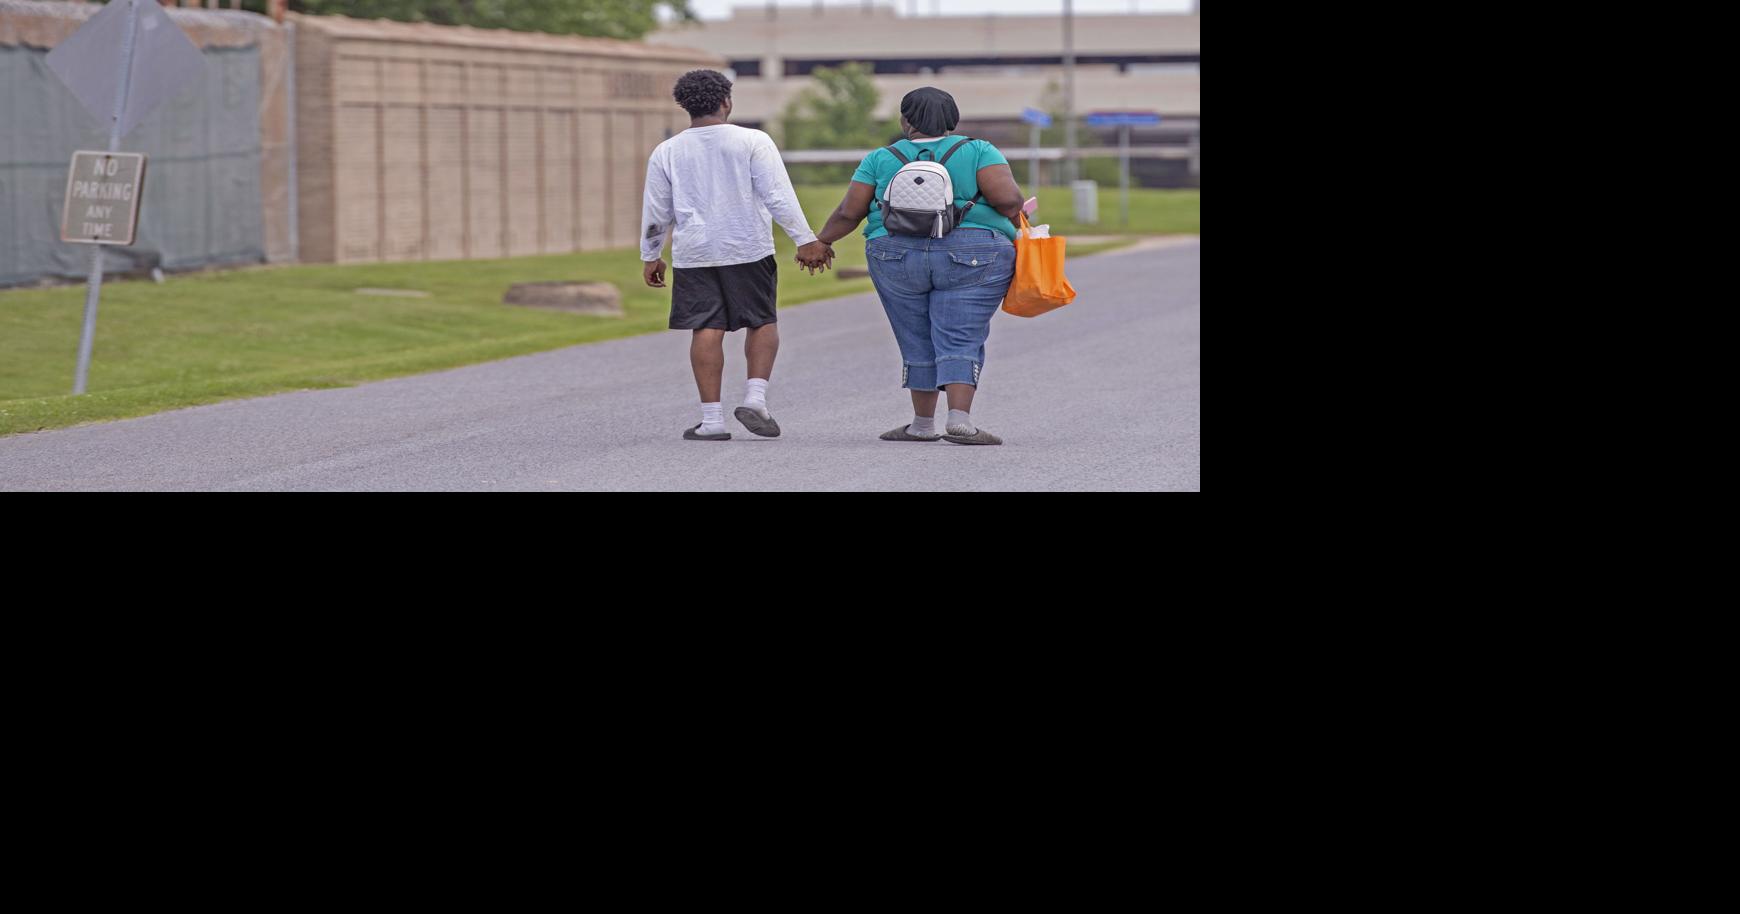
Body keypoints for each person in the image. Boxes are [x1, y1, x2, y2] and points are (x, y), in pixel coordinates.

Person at [809, 87, 1025, 445]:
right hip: (973, 252)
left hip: (894, 254)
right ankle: (960, 420)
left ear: (904, 120)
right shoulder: (978, 151)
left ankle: (922, 425)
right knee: (962, 332)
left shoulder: (882, 157)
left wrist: (822, 241)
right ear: (953, 120)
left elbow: (850, 211)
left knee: (914, 333)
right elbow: (1007, 200)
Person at [640, 69, 834, 441]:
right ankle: (755, 399)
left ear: (685, 106)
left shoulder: (667, 151)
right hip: (747, 246)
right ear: (726, 101)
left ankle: (711, 421)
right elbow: (777, 194)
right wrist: (805, 239)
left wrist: (651, 255)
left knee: (706, 328)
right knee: (761, 320)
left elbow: (656, 211)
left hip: (695, 252)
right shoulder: (752, 141)